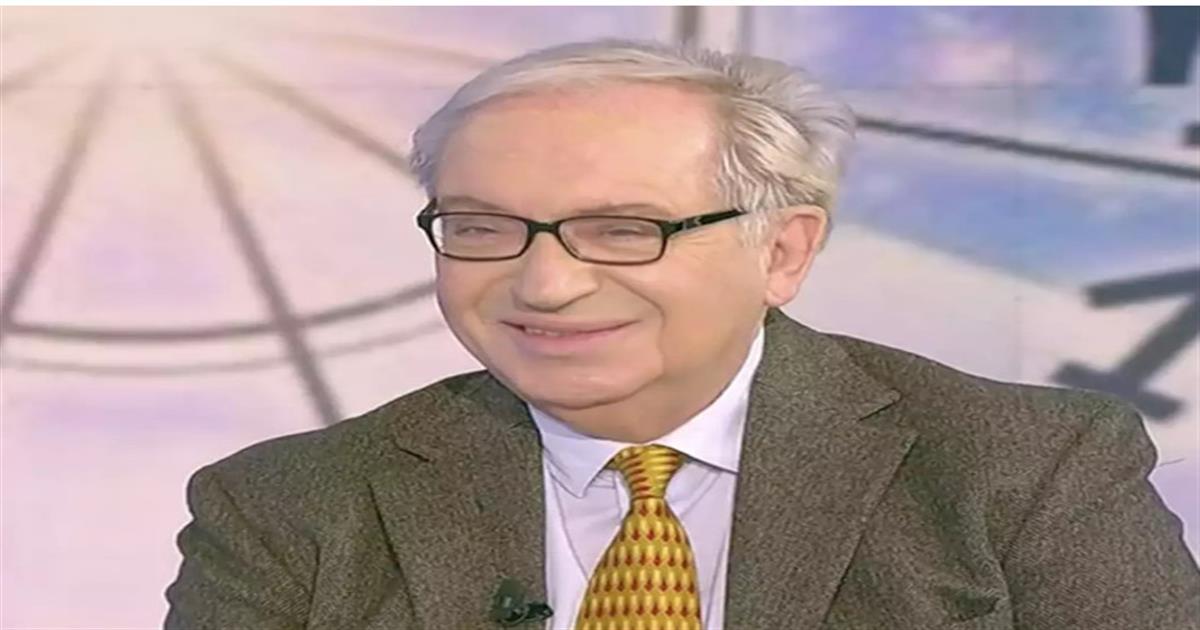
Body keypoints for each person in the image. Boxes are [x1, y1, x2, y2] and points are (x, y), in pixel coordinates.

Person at [164, 39, 1200, 629]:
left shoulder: (1026, 468)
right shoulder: (289, 506)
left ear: (783, 251)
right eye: (480, 228)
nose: (546, 284)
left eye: (625, 231)